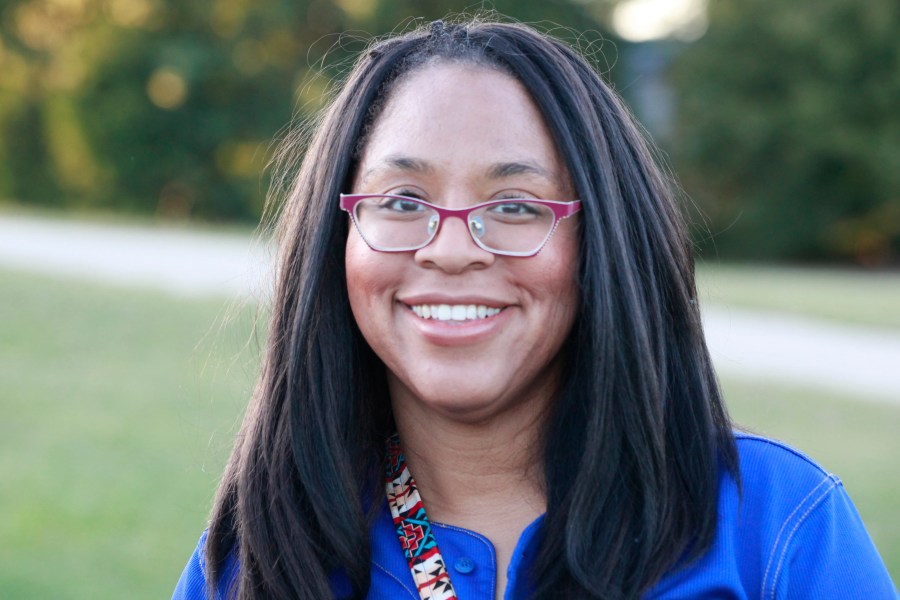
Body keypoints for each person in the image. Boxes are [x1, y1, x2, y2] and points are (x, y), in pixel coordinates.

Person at [173, 18, 897, 600]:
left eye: (515, 205)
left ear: (600, 243)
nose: (451, 250)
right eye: (402, 201)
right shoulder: (262, 553)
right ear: (338, 241)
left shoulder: (775, 527)